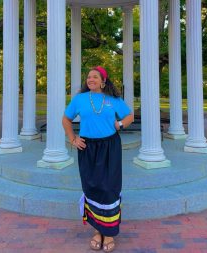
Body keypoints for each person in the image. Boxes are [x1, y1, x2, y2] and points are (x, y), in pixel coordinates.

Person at [62, 66, 134, 252]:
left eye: (95, 77)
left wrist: (119, 124)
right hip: (87, 147)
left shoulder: (114, 100)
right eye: (88, 77)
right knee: (92, 187)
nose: (90, 79)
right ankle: (97, 231)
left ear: (103, 81)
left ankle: (109, 233)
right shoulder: (79, 99)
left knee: (109, 187)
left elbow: (129, 116)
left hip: (110, 146)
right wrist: (72, 139)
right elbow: (66, 119)